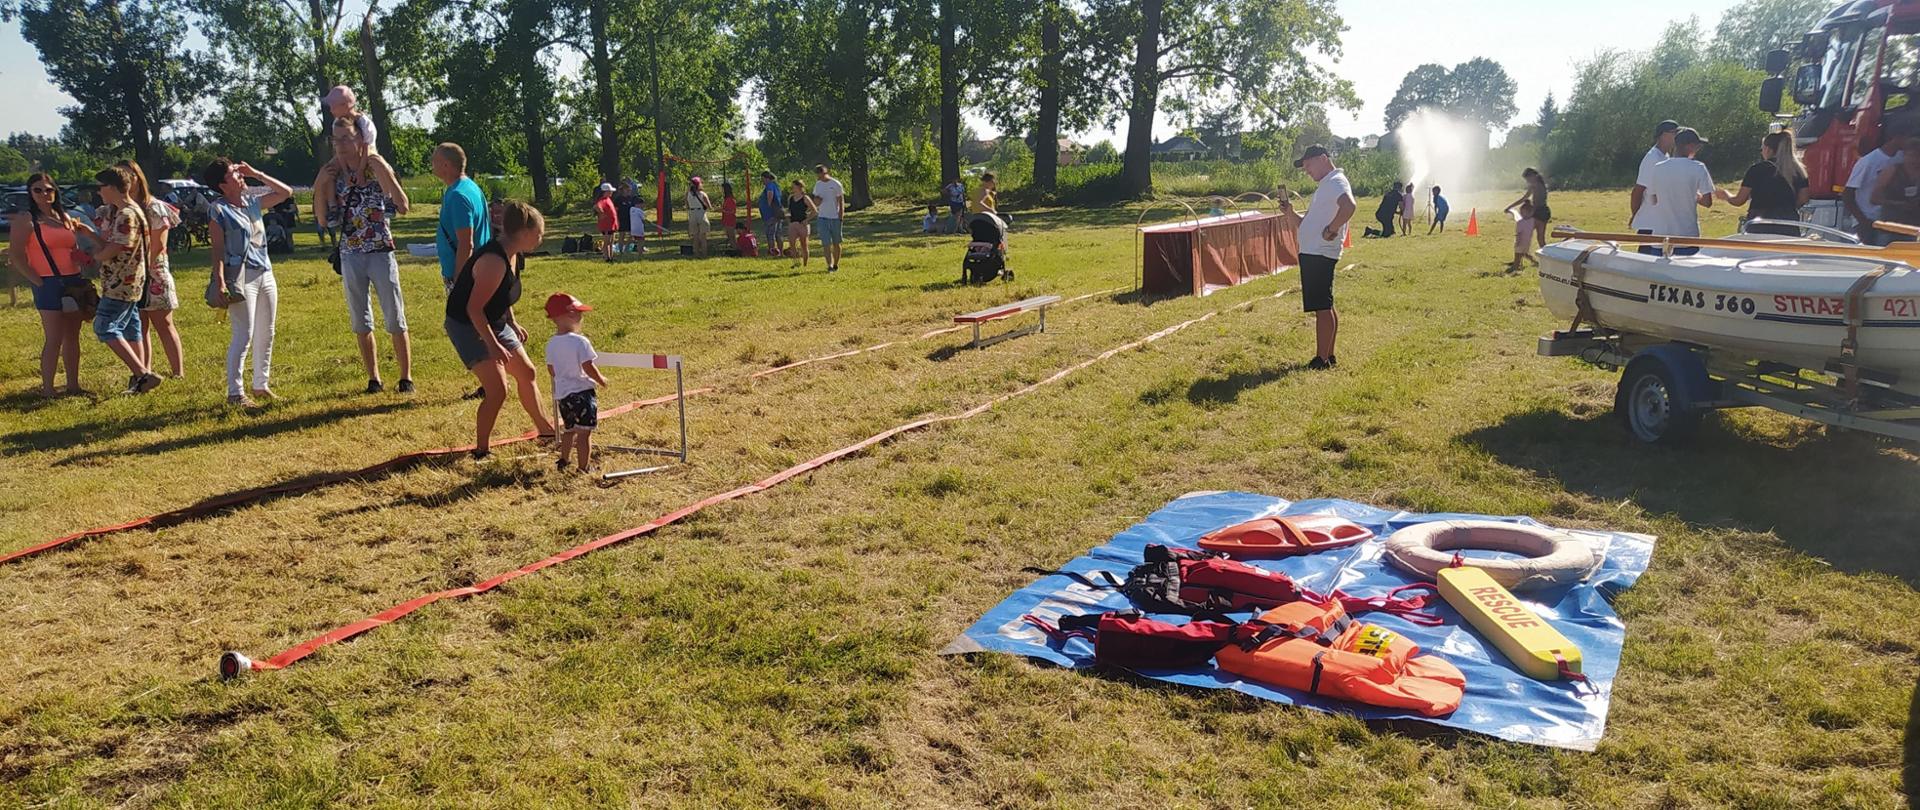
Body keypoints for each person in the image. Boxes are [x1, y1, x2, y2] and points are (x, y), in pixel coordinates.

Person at [446, 199, 557, 458]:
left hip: (494, 320)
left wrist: (512, 321)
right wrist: (494, 346)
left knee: (527, 372)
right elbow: (474, 309)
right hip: (467, 324)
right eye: (539, 235)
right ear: (525, 233)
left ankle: (546, 431)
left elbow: (502, 295)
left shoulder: (515, 255)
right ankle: (481, 450)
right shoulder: (492, 262)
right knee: (497, 389)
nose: (540, 240)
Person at [322, 116, 414, 394]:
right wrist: (320, 184)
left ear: (360, 140)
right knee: (360, 319)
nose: (341, 146)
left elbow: (402, 205)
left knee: (394, 316)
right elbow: (327, 219)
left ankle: (405, 377)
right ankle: (373, 378)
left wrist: (381, 166)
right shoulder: (335, 175)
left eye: (347, 139)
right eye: (336, 140)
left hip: (380, 251)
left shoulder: (374, 170)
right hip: (351, 254)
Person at [205, 158, 291, 406]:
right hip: (241, 278)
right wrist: (220, 281)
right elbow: (218, 250)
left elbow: (284, 193)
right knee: (244, 334)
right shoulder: (218, 210)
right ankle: (235, 392)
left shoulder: (252, 202)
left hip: (265, 272)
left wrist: (257, 173)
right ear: (222, 185)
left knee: (267, 331)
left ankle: (261, 385)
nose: (240, 174)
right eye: (234, 173)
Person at [7, 172, 91, 397]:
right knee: (54, 337)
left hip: (73, 280)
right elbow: (16, 255)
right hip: (48, 282)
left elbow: (70, 247)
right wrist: (37, 280)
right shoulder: (27, 219)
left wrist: (79, 257)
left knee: (72, 336)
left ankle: (73, 385)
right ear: (30, 193)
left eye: (49, 189)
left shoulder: (63, 217)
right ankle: (48, 389)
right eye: (38, 190)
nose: (45, 194)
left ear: (56, 191)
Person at [1277, 145, 1355, 370]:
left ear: (1323, 159)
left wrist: (1331, 230)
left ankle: (1321, 359)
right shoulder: (1327, 185)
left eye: (1309, 165)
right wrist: (1290, 213)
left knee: (1322, 306)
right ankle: (1328, 355)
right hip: (1315, 252)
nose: (1307, 171)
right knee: (1325, 304)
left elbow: (1349, 206)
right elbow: (1307, 224)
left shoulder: (1335, 182)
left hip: (1319, 253)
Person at [89, 166, 164, 395]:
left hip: (120, 282)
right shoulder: (134, 210)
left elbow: (117, 246)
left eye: (101, 187)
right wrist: (88, 234)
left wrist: (95, 257)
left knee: (104, 325)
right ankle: (139, 380)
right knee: (132, 329)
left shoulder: (125, 214)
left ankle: (143, 374)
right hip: (132, 282)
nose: (99, 192)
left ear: (112, 187)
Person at [117, 160, 185, 379]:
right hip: (129, 275)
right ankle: (144, 372)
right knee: (138, 326)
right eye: (121, 177)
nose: (127, 181)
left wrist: (144, 270)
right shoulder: (117, 210)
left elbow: (159, 245)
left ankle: (178, 373)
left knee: (163, 323)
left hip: (153, 273)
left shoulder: (154, 207)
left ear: (139, 177)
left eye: (131, 175)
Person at [544, 292, 610, 473]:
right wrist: (601, 379)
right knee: (584, 432)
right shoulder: (581, 342)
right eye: (579, 313)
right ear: (571, 314)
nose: (581, 317)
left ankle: (564, 460)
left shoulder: (551, 344)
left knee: (569, 429)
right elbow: (588, 366)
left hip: (563, 395)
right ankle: (584, 467)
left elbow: (551, 370)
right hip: (582, 392)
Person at [1631, 127, 1715, 256]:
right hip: (1687, 235)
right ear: (1690, 146)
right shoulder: (1698, 168)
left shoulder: (1658, 168)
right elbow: (1708, 201)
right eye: (1697, 147)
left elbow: (1653, 199)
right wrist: (1695, 196)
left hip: (1660, 235)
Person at [313, 86, 379, 242]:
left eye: (333, 106)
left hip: (366, 157)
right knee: (328, 171)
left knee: (383, 167)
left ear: (345, 105)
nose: (330, 110)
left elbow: (367, 148)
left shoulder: (363, 123)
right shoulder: (338, 122)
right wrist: (345, 171)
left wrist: (360, 171)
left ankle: (389, 199)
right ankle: (332, 207)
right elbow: (338, 151)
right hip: (346, 160)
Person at [1720, 129, 1812, 236]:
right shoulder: (1798, 170)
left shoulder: (1757, 169)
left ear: (1767, 149)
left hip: (1760, 225)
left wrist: (1726, 195)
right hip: (1788, 224)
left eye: (1762, 148)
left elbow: (1739, 200)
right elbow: (1804, 198)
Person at [433, 143, 490, 294]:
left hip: (466, 275)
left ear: (446, 165)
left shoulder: (458, 195)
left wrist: (459, 279)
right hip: (478, 269)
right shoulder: (472, 187)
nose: (431, 164)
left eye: (434, 160)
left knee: (461, 317)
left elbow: (466, 243)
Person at [1846, 125, 1906, 245]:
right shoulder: (1868, 161)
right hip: (1869, 220)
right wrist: (1863, 221)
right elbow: (1847, 195)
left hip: (1890, 220)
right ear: (1896, 137)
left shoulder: (1902, 158)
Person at [1870, 131, 1920, 238]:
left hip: (1916, 228)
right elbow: (1874, 199)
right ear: (1904, 155)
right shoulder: (1891, 171)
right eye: (1912, 155)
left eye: (1918, 156)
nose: (1915, 160)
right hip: (1891, 227)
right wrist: (1897, 204)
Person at [1631, 120, 1680, 226]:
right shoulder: (1652, 158)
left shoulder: (1665, 156)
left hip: (1661, 220)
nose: (1678, 137)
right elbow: (1638, 190)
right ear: (1663, 135)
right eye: (1675, 133)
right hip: (1649, 221)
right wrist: (1636, 215)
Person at [1505, 168, 1551, 249]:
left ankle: (1521, 258)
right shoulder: (1536, 185)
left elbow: (1536, 203)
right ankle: (1545, 257)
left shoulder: (1537, 186)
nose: (1527, 181)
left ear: (1533, 176)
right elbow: (1524, 198)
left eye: (1528, 179)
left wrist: (1530, 213)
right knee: (1540, 239)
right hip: (1543, 212)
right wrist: (1510, 206)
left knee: (1524, 235)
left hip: (1540, 213)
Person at [812, 164, 846, 272]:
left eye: (820, 173)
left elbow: (841, 201)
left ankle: (836, 264)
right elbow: (815, 200)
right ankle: (829, 265)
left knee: (836, 243)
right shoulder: (818, 185)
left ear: (825, 173)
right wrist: (817, 201)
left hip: (835, 217)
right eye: (817, 174)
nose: (819, 176)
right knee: (826, 244)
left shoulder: (836, 184)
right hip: (822, 217)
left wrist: (841, 215)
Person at [787, 179, 817, 268]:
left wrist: (807, 220)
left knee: (804, 244)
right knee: (791, 243)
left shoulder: (805, 198)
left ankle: (805, 264)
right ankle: (796, 262)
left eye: (794, 186)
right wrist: (788, 218)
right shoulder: (791, 198)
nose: (792, 188)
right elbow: (789, 210)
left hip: (802, 224)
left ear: (799, 187)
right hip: (793, 223)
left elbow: (814, 211)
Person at [757, 170, 784, 258]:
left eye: (763, 179)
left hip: (771, 214)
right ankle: (780, 252)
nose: (762, 182)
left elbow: (770, 195)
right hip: (777, 212)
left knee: (770, 233)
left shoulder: (769, 185)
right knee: (778, 233)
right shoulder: (776, 185)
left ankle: (772, 251)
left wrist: (768, 206)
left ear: (766, 178)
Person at [1506, 201, 1538, 271]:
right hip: (1527, 241)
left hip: (1520, 241)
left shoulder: (1520, 222)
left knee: (1517, 254)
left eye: (1523, 212)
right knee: (1524, 253)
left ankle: (1515, 266)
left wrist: (1517, 242)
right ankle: (1535, 262)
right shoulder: (1533, 221)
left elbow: (1519, 233)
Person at [686, 176, 713, 258]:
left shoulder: (688, 194)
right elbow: (709, 206)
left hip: (692, 214)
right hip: (701, 214)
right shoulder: (703, 194)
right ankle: (704, 254)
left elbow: (687, 205)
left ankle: (696, 254)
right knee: (703, 237)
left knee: (695, 237)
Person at [593, 183, 618, 262]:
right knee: (607, 241)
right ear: (605, 191)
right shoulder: (602, 200)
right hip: (606, 225)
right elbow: (596, 206)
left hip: (612, 224)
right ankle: (606, 257)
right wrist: (602, 213)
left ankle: (611, 256)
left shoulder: (608, 199)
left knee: (611, 241)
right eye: (610, 191)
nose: (611, 192)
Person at [720, 179, 738, 246]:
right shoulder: (726, 199)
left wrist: (723, 210)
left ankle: (736, 248)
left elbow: (733, 211)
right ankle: (733, 247)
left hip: (730, 220)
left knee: (731, 236)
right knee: (729, 236)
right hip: (726, 220)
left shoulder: (730, 200)